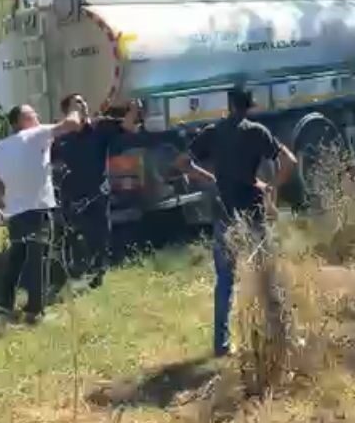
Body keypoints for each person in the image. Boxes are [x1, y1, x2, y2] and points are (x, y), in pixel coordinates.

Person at [180, 87, 299, 357]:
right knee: (268, 275)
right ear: (250, 107)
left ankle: (221, 345)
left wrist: (210, 179)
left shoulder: (213, 131)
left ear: (229, 105)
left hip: (225, 215)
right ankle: (282, 334)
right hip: (253, 214)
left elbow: (182, 162)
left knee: (225, 279)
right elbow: (289, 161)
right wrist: (270, 187)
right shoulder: (256, 131)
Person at [54, 98, 187, 287]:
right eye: (76, 104)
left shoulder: (99, 129)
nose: (82, 105)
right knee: (75, 236)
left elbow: (126, 126)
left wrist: (134, 109)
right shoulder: (60, 137)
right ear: (66, 111)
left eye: (83, 102)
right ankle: (77, 271)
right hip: (72, 195)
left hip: (96, 194)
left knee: (100, 237)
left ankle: (96, 275)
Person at [0, 98, 85, 322]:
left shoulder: (2, 146)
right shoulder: (37, 134)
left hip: (15, 213)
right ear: (24, 120)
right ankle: (34, 311)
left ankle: (4, 304)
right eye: (34, 114)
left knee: (17, 256)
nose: (38, 117)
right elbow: (72, 124)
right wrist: (76, 106)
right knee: (39, 256)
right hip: (38, 209)